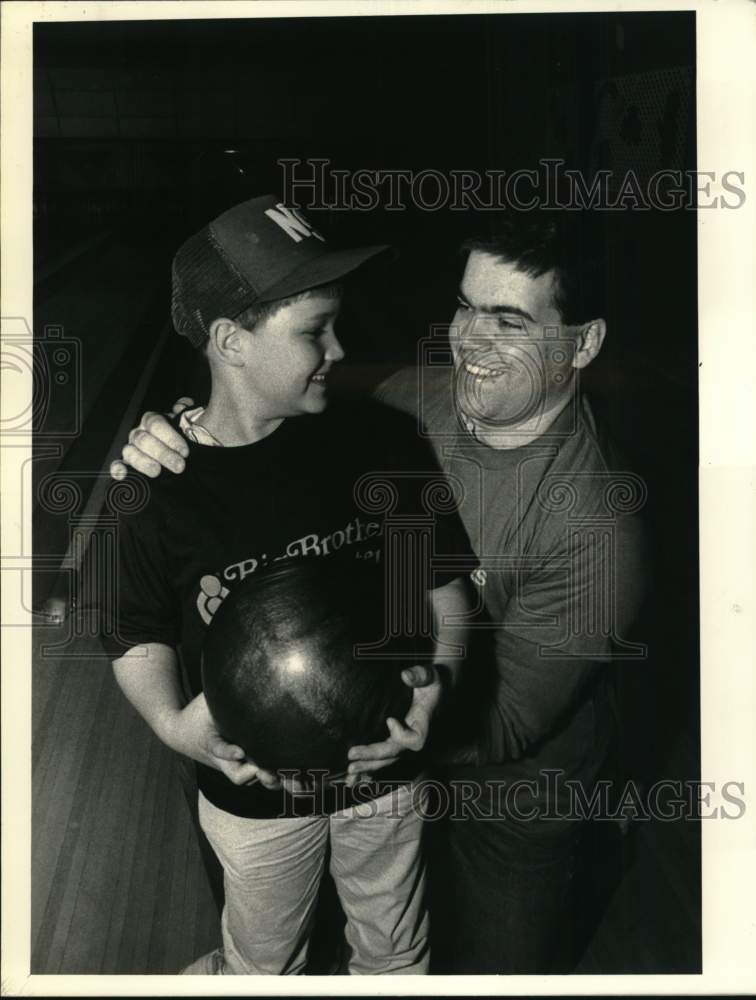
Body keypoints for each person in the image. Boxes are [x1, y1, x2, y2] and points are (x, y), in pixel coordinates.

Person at [112, 209, 647, 973]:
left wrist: (403, 717)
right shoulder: (405, 401)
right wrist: (168, 437)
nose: (472, 339)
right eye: (465, 306)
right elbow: (265, 405)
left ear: (584, 342)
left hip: (510, 781)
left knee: (487, 969)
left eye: (510, 321)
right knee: (271, 938)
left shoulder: (601, 531)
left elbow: (507, 719)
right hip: (356, 756)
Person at [101, 194, 475, 975]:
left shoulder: (380, 443)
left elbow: (438, 592)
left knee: (396, 948)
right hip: (255, 795)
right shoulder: (155, 488)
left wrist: (435, 690)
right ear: (231, 342)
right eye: (314, 331)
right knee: (266, 962)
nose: (340, 348)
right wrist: (175, 727)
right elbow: (135, 633)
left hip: (385, 764)